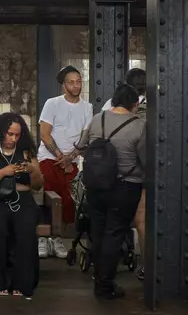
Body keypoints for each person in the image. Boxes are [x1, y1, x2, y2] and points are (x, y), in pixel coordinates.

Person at [77, 84, 146, 299]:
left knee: (98, 232)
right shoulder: (140, 125)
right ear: (135, 104)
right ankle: (105, 287)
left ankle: (100, 281)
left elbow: (81, 145)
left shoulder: (98, 118)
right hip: (125, 186)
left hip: (96, 185)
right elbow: (146, 159)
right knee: (114, 233)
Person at [0, 113, 44, 298]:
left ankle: (23, 283)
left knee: (25, 230)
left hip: (22, 198)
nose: (13, 139)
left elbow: (37, 184)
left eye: (17, 135)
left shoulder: (27, 152)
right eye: (9, 134)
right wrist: (3, 173)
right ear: (0, 133)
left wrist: (33, 169)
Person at [37, 66, 93, 259]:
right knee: (46, 199)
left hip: (71, 162)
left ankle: (57, 238)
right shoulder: (52, 104)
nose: (76, 85)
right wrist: (61, 157)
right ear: (63, 85)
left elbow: (86, 138)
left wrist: (70, 158)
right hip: (48, 159)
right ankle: (43, 238)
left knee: (68, 202)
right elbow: (44, 134)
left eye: (79, 81)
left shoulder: (87, 107)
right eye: (71, 82)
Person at [100, 68, 147, 280]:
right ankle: (147, 264)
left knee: (112, 225)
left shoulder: (105, 110)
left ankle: (104, 273)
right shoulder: (152, 108)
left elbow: (87, 143)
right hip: (138, 175)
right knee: (141, 220)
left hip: (107, 177)